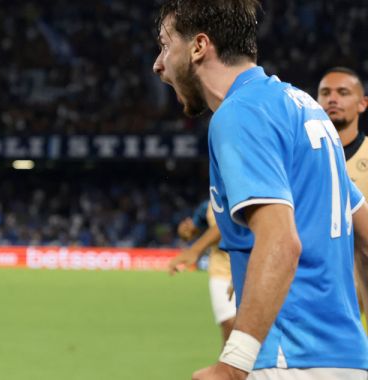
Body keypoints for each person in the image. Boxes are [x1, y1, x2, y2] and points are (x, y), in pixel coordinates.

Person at [153, 1, 368, 379]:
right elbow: (364, 231)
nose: (158, 64)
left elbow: (281, 242)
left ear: (199, 46)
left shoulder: (240, 113)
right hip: (345, 357)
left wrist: (233, 364)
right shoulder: (303, 106)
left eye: (165, 45)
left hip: (289, 355)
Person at [317, 67, 368, 319]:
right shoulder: (300, 161)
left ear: (362, 103)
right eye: (325, 93)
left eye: (343, 92)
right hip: (318, 296)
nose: (332, 99)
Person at [170, 200, 235, 345]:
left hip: (249, 269)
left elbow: (224, 225)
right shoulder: (207, 207)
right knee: (229, 326)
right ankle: (228, 366)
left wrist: (195, 250)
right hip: (221, 271)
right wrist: (185, 231)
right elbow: (191, 231)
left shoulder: (245, 195)